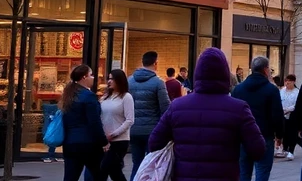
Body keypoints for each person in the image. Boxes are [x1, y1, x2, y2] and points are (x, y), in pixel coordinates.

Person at [148, 48, 265, 181]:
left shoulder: (177, 106)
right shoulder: (239, 108)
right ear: (225, 74)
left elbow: (154, 143)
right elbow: (258, 150)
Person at [232, 56, 285, 181]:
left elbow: (233, 115)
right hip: (264, 136)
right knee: (262, 172)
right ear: (266, 70)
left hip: (242, 138)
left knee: (243, 173)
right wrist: (279, 135)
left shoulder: (238, 90)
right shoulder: (271, 90)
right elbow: (277, 115)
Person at [61, 65, 107, 181]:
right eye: (91, 75)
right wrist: (103, 141)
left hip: (70, 143)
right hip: (89, 144)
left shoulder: (68, 95)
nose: (93, 77)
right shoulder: (89, 96)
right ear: (84, 77)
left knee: (70, 176)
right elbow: (94, 122)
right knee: (99, 174)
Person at [128, 51, 170, 179]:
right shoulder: (158, 83)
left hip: (133, 129)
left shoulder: (129, 81)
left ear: (142, 62)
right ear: (155, 63)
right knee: (151, 164)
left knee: (136, 163)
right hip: (152, 130)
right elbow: (165, 108)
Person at [97, 69, 133, 181]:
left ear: (119, 80)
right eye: (109, 78)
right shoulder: (105, 97)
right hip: (104, 141)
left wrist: (113, 134)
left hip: (119, 141)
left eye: (112, 78)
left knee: (103, 169)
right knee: (115, 172)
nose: (109, 81)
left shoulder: (126, 97)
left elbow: (130, 120)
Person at [280, 74, 299, 160]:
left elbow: (297, 104)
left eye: (289, 81)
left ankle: (291, 150)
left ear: (293, 82)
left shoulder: (297, 92)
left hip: (293, 115)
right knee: (284, 132)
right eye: (286, 81)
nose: (287, 83)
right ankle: (285, 148)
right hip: (282, 114)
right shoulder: (282, 91)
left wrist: (288, 109)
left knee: (292, 133)